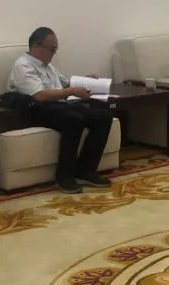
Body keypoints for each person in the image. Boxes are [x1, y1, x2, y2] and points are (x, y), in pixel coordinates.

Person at [7, 27, 113, 194]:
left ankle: (85, 170)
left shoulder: (48, 66)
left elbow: (65, 84)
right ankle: (64, 177)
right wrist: (70, 91)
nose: (54, 53)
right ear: (36, 46)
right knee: (73, 119)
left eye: (55, 49)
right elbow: (39, 95)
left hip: (58, 106)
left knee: (103, 117)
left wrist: (86, 81)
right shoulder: (23, 65)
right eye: (52, 49)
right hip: (36, 109)